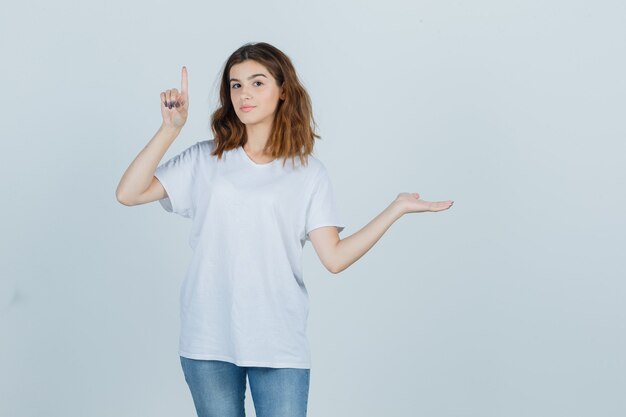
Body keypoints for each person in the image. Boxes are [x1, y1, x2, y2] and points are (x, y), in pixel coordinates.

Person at [115, 41, 454, 417]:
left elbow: (335, 257)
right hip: (207, 339)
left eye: (257, 83)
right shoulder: (205, 159)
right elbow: (128, 193)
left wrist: (396, 208)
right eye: (235, 84)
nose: (244, 94)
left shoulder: (308, 173)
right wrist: (169, 130)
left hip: (278, 341)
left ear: (282, 92)